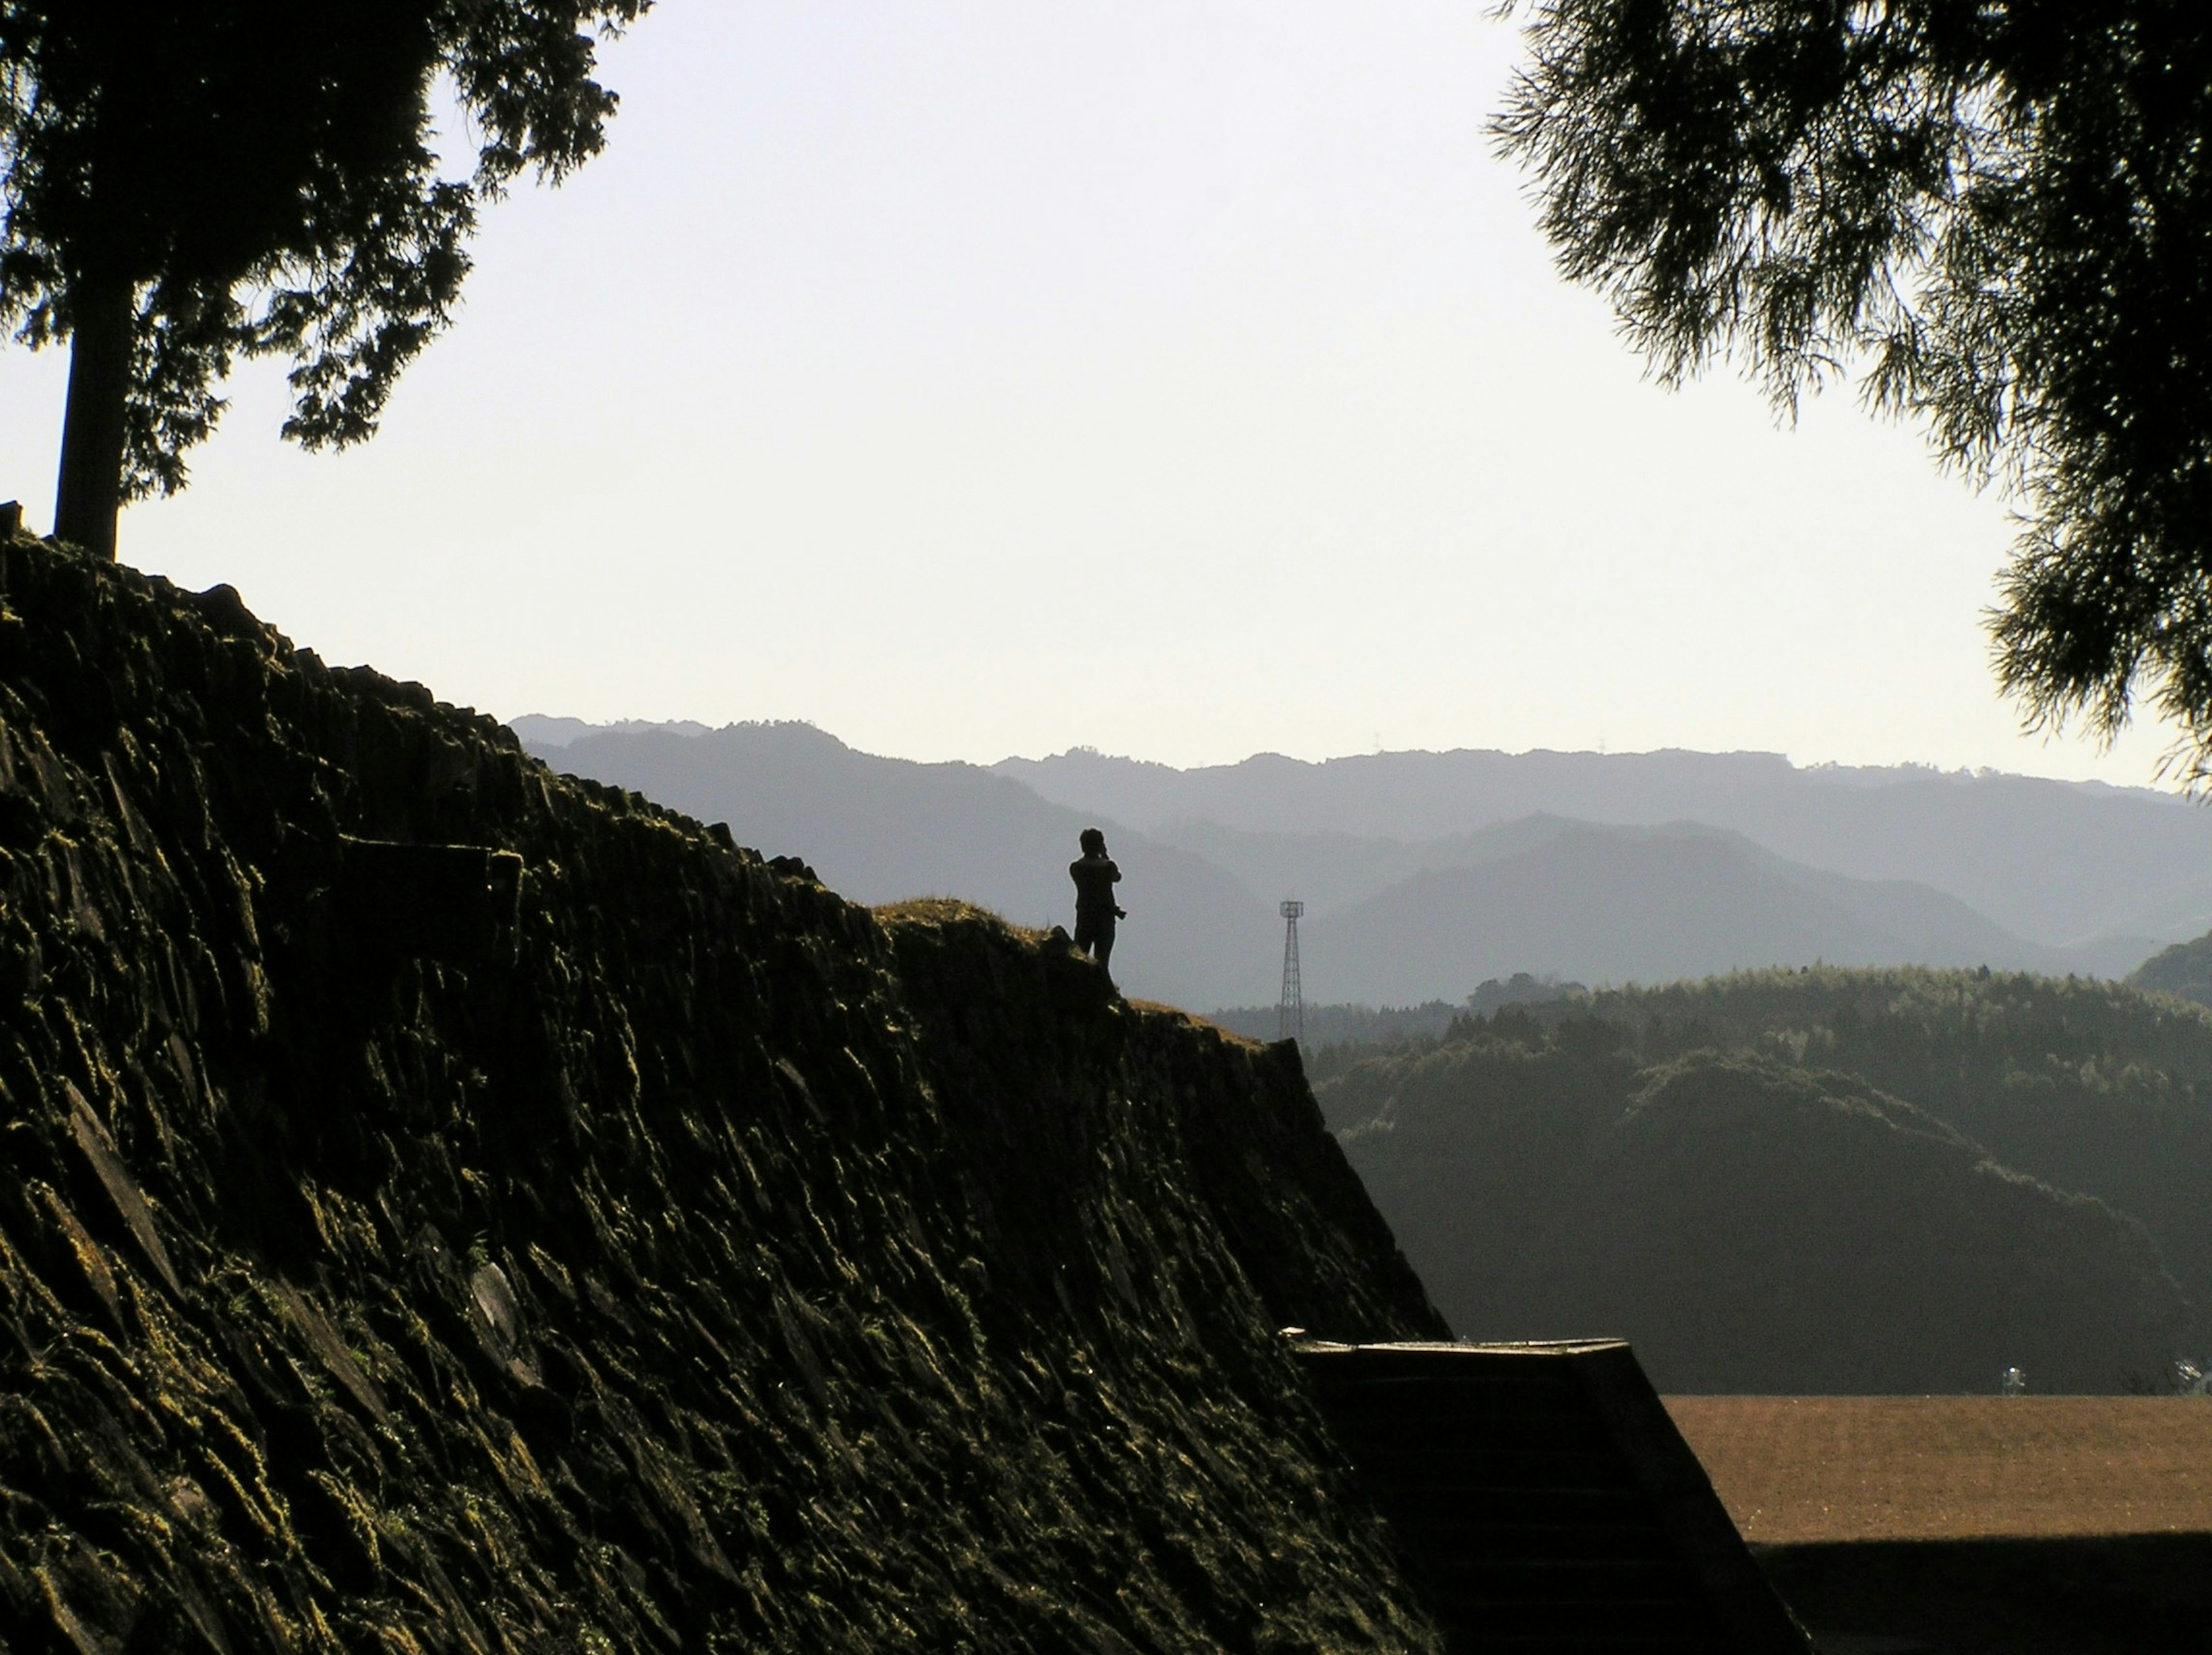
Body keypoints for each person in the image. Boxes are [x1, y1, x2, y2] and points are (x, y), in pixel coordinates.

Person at [1069, 827, 1124, 973]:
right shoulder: (1108, 867)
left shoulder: (1076, 868)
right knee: (1102, 962)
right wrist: (1105, 856)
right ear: (1101, 845)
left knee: (1080, 960)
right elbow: (1117, 877)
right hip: (1105, 920)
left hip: (1084, 919)